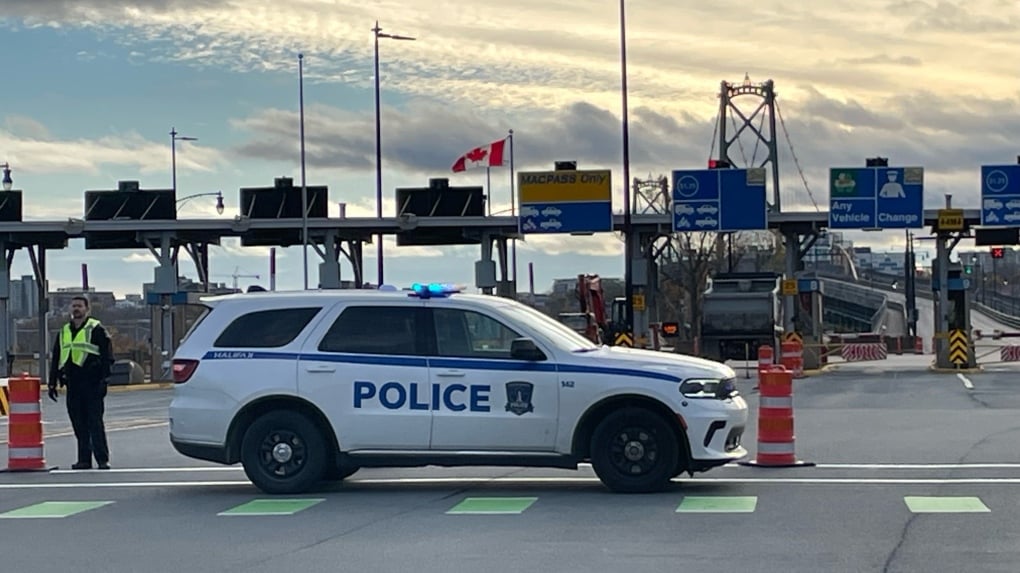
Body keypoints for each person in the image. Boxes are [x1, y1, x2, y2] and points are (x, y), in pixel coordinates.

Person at [48, 295, 114, 470]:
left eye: (79, 306)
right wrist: (52, 382)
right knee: (79, 424)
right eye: (74, 306)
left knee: (95, 422)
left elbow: (107, 356)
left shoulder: (96, 329)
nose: (76, 309)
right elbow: (56, 357)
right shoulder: (64, 331)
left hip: (92, 383)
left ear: (87, 309)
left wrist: (105, 379)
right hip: (73, 383)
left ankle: (102, 459)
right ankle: (84, 460)